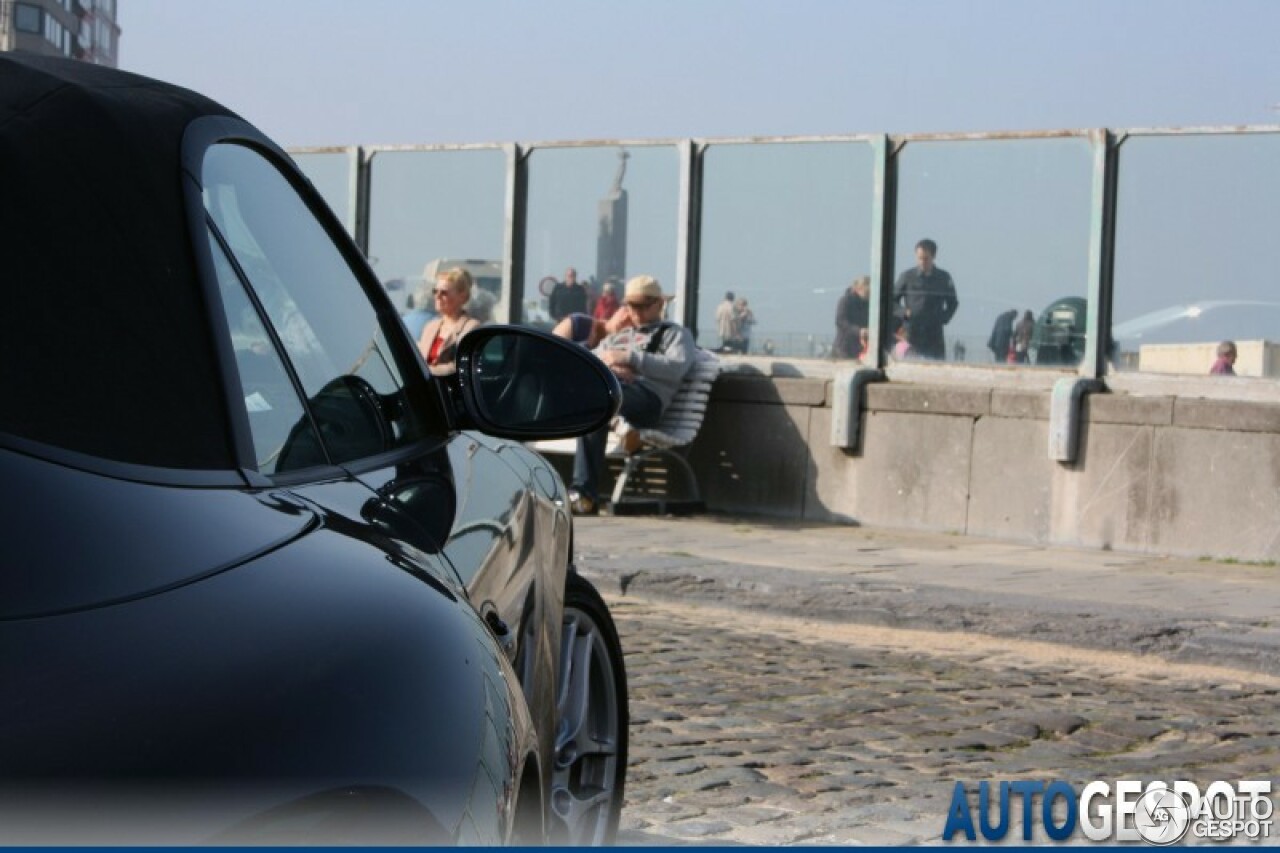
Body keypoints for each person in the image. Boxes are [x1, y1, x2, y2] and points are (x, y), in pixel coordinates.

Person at [569, 275, 696, 515]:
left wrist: (630, 359)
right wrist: (611, 365)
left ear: (659, 304)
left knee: (599, 401)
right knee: (594, 405)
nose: (635, 312)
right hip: (613, 392)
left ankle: (584, 491)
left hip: (646, 399)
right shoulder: (621, 335)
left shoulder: (675, 334)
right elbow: (592, 358)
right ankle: (583, 495)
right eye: (630, 305)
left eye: (641, 306)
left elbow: (676, 366)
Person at [892, 239, 958, 360]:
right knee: (911, 364)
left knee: (936, 365)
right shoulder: (907, 276)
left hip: (934, 332)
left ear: (933, 256)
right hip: (912, 330)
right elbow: (891, 301)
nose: (922, 262)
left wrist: (943, 318)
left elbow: (953, 303)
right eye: (919, 258)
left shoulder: (943, 277)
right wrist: (904, 312)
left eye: (926, 258)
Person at [417, 267, 481, 376]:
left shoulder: (470, 327)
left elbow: (458, 366)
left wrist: (426, 371)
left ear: (463, 297)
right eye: (435, 291)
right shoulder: (430, 327)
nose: (437, 296)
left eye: (444, 292)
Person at [834, 276, 871, 359]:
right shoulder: (845, 301)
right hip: (845, 347)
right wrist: (859, 331)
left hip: (861, 347)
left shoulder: (868, 304)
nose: (870, 294)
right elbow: (840, 321)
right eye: (867, 291)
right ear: (858, 288)